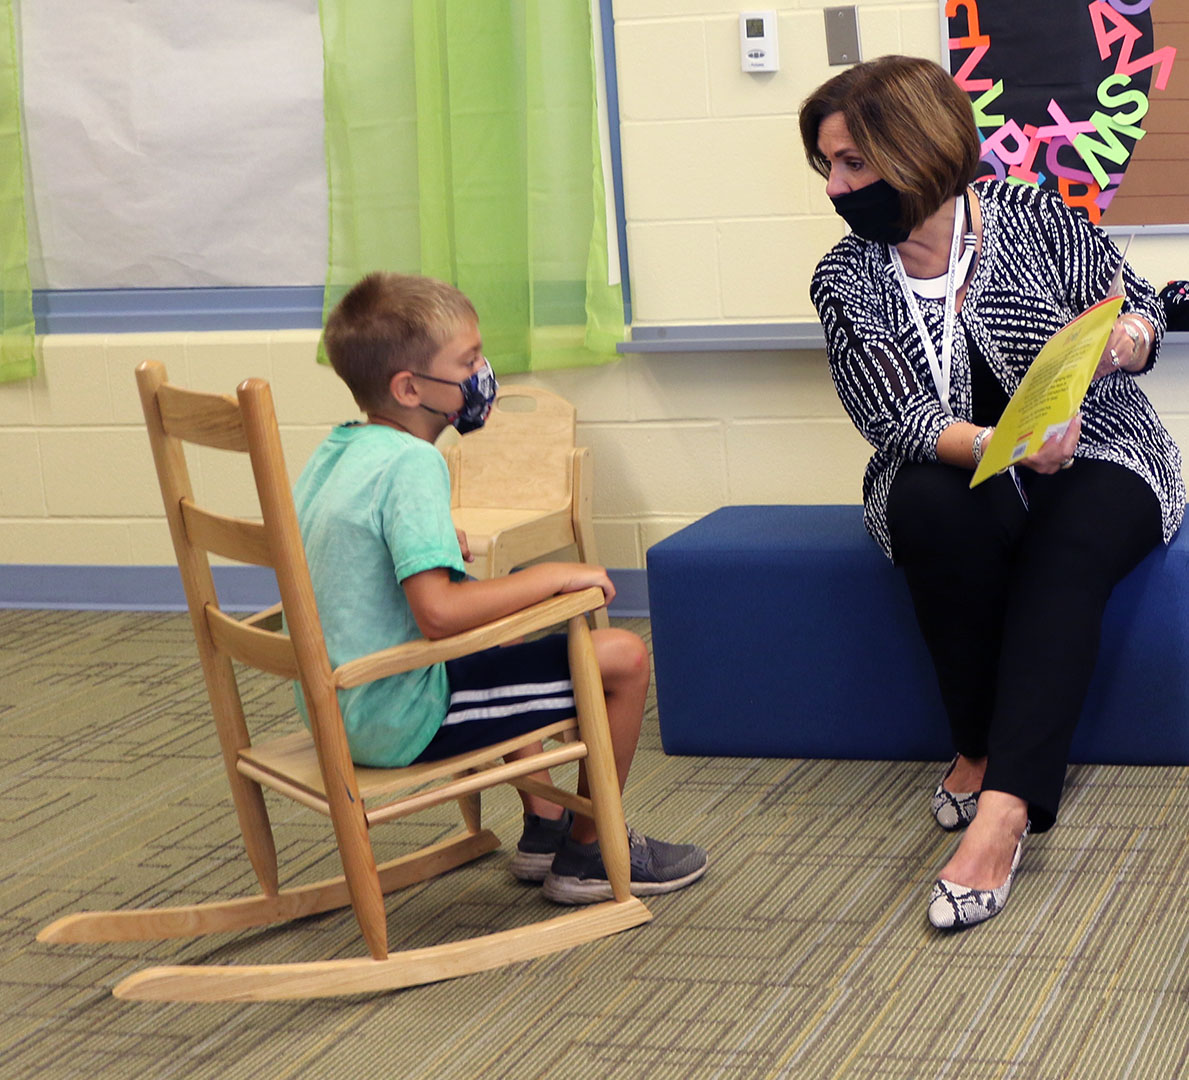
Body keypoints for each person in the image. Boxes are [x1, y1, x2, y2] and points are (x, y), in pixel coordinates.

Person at [799, 56, 1183, 929]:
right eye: (827, 165)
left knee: (1068, 547)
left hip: (1102, 448)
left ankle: (1003, 811)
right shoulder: (845, 277)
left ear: (918, 146)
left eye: (853, 162)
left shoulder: (1029, 213)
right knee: (932, 510)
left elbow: (1137, 307)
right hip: (954, 461)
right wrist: (999, 448)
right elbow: (891, 414)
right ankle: (973, 746)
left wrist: (1122, 338)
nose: (835, 188)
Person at [294, 271, 707, 905]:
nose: (483, 373)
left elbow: (352, 550)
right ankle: (591, 853)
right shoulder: (414, 463)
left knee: (507, 626)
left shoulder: (340, 450)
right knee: (622, 658)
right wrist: (551, 576)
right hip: (400, 715)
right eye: (468, 362)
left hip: (338, 703)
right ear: (409, 388)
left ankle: (545, 826)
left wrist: (435, 538)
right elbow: (438, 613)